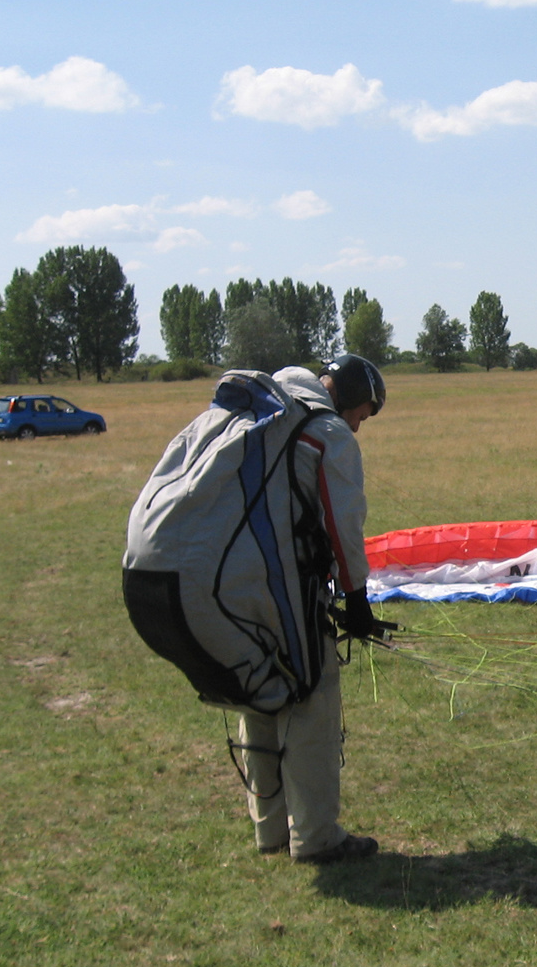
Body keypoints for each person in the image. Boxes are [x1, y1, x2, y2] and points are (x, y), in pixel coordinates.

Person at [124, 354, 395, 864]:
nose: (360, 426)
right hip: (234, 580)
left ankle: (271, 830)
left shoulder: (254, 411)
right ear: (349, 398)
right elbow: (342, 523)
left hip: (155, 573)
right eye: (363, 413)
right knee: (310, 690)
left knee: (264, 690)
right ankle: (315, 837)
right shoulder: (325, 429)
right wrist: (356, 600)